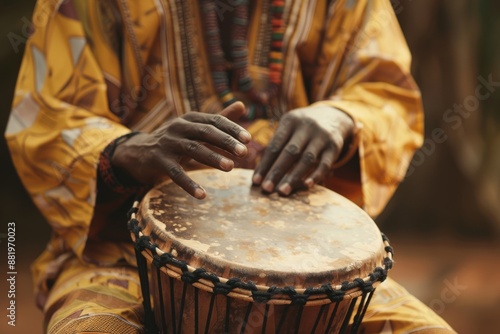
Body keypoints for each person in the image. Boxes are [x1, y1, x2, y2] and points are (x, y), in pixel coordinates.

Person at [5, 0, 455, 333]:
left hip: (313, 272)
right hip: (123, 255)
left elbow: (386, 93)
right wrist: (125, 150)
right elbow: (43, 114)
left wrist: (340, 119)